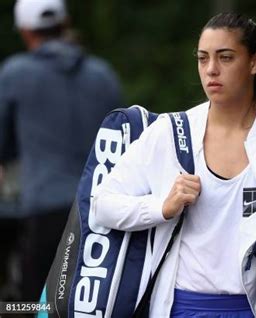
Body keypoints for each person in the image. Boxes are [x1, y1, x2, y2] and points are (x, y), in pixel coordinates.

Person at [94, 13, 256, 317]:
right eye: (202, 59)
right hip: (182, 307)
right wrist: (162, 208)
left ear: (254, 62)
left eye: (226, 58)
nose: (211, 70)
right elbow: (103, 204)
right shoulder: (170, 131)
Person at [0, 0, 123, 301]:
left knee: (33, 303)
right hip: (102, 212)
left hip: (44, 209)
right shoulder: (103, 74)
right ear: (65, 23)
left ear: (26, 31)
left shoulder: (15, 74)